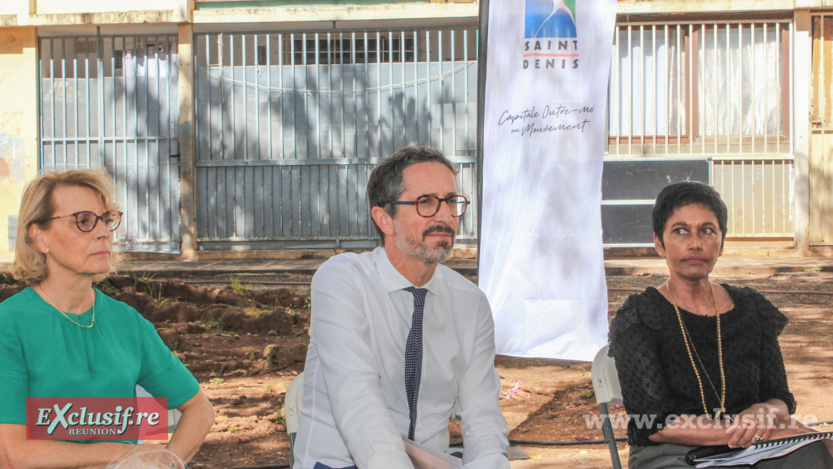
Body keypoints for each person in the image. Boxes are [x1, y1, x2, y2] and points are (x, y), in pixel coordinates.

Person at [294, 145, 510, 469]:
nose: (444, 216)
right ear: (384, 219)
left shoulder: (471, 304)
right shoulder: (342, 281)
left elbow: (483, 421)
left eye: (451, 201)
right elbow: (358, 404)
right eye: (425, 202)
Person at [608, 181, 833, 468]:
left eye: (707, 230)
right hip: (673, 453)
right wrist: (741, 432)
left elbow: (780, 398)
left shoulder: (751, 309)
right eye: (680, 231)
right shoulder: (641, 316)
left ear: (722, 242)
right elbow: (655, 424)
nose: (695, 243)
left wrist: (763, 410)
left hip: (756, 447)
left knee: (813, 454)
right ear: (659, 244)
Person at [0, 169, 215, 467]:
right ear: (39, 236)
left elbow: (199, 409)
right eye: (84, 221)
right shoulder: (8, 326)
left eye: (107, 219)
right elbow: (11, 455)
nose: (104, 232)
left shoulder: (127, 322)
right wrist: (123, 454)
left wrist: (166, 461)